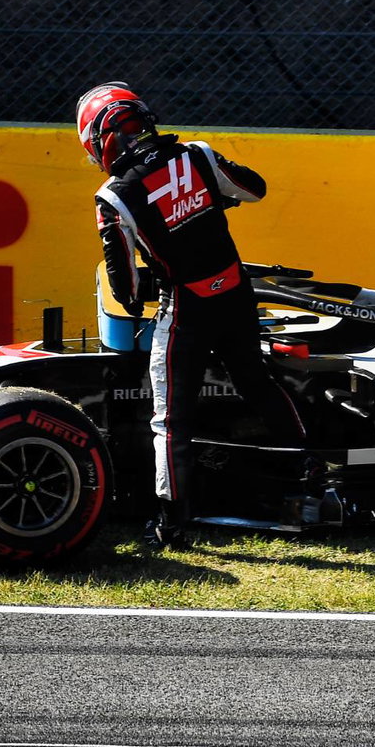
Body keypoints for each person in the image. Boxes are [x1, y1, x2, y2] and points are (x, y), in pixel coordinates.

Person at [76, 82, 306, 548]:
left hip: (187, 309)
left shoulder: (114, 197)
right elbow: (254, 189)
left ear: (101, 142)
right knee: (256, 381)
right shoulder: (197, 154)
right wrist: (210, 200)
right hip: (236, 292)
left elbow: (124, 287)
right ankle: (308, 468)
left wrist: (149, 281)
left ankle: (170, 522)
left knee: (170, 420)